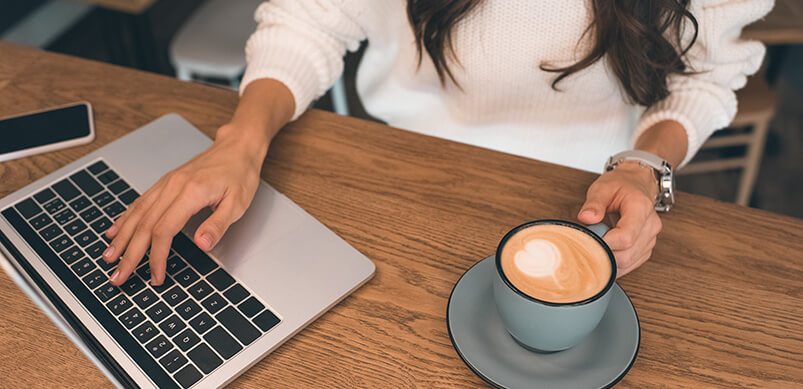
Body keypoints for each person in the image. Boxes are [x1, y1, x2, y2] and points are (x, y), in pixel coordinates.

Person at [102, 0, 772, 286]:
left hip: (585, 196)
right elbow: (310, 17)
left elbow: (708, 73)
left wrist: (644, 165)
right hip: (404, 173)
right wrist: (239, 142)